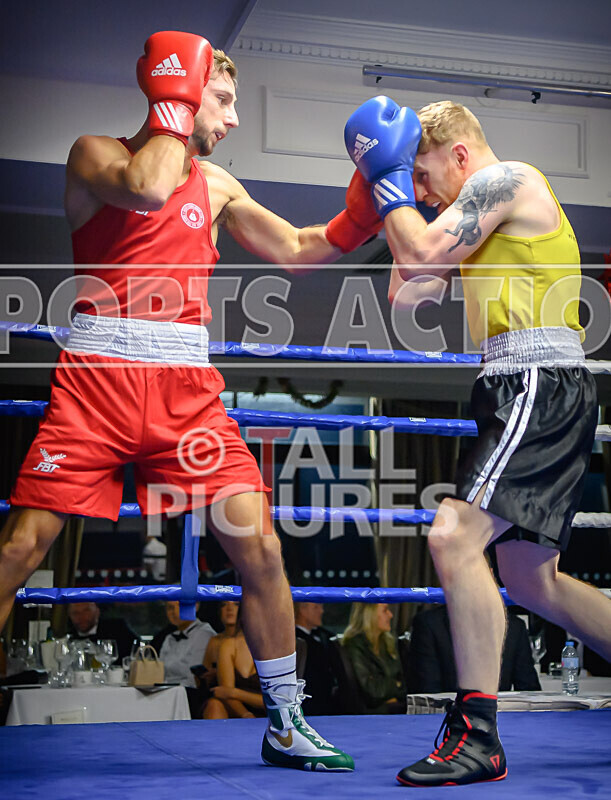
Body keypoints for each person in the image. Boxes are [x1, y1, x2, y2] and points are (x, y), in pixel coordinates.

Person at [0, 30, 380, 771]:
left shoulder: (219, 184)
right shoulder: (93, 154)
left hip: (187, 401)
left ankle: (284, 720)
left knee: (261, 547)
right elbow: (144, 185)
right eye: (224, 99)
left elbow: (300, 251)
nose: (234, 119)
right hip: (97, 386)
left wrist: (368, 204)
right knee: (20, 548)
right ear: (181, 90)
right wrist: (173, 97)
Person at [343, 96, 611, 786]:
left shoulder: (508, 179)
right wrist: (392, 196)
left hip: (535, 380)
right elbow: (410, 290)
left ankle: (477, 735)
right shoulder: (474, 215)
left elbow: (423, 249)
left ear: (459, 155)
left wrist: (387, 180)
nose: (424, 191)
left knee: (450, 538)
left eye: (426, 173)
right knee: (528, 578)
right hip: (513, 385)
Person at [406, 605, 540, 693]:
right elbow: (426, 690)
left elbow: (528, 689)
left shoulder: (514, 627)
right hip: (446, 722)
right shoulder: (429, 624)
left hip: (502, 720)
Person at [341, 603, 406, 714]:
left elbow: (405, 684)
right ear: (369, 614)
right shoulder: (354, 645)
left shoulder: (387, 643)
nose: (391, 615)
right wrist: (396, 684)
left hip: (393, 709)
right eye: (385, 610)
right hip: (369, 716)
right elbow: (373, 692)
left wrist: (388, 686)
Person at [203, 616, 265, 720]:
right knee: (214, 705)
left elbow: (279, 701)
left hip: (270, 712)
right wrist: (246, 714)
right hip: (235, 708)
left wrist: (235, 693)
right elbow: (224, 694)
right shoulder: (228, 645)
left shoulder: (280, 646)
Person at [157, 601, 215, 688]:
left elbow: (194, 680)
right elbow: (160, 674)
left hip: (189, 694)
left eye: (180, 606)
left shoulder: (204, 634)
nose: (175, 612)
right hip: (167, 692)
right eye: (170, 607)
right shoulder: (169, 638)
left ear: (195, 606)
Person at [294, 601, 338, 715]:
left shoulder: (324, 636)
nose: (322, 611)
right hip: (312, 707)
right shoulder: (296, 641)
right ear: (303, 610)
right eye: (316, 607)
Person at [67, 601, 136, 662]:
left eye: (86, 611)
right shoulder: (66, 640)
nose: (81, 616)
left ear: (97, 612)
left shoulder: (117, 628)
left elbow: (137, 650)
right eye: (75, 613)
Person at [201, 599, 240, 688]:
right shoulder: (214, 641)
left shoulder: (252, 641)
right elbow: (204, 674)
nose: (229, 608)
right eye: (224, 604)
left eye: (236, 604)